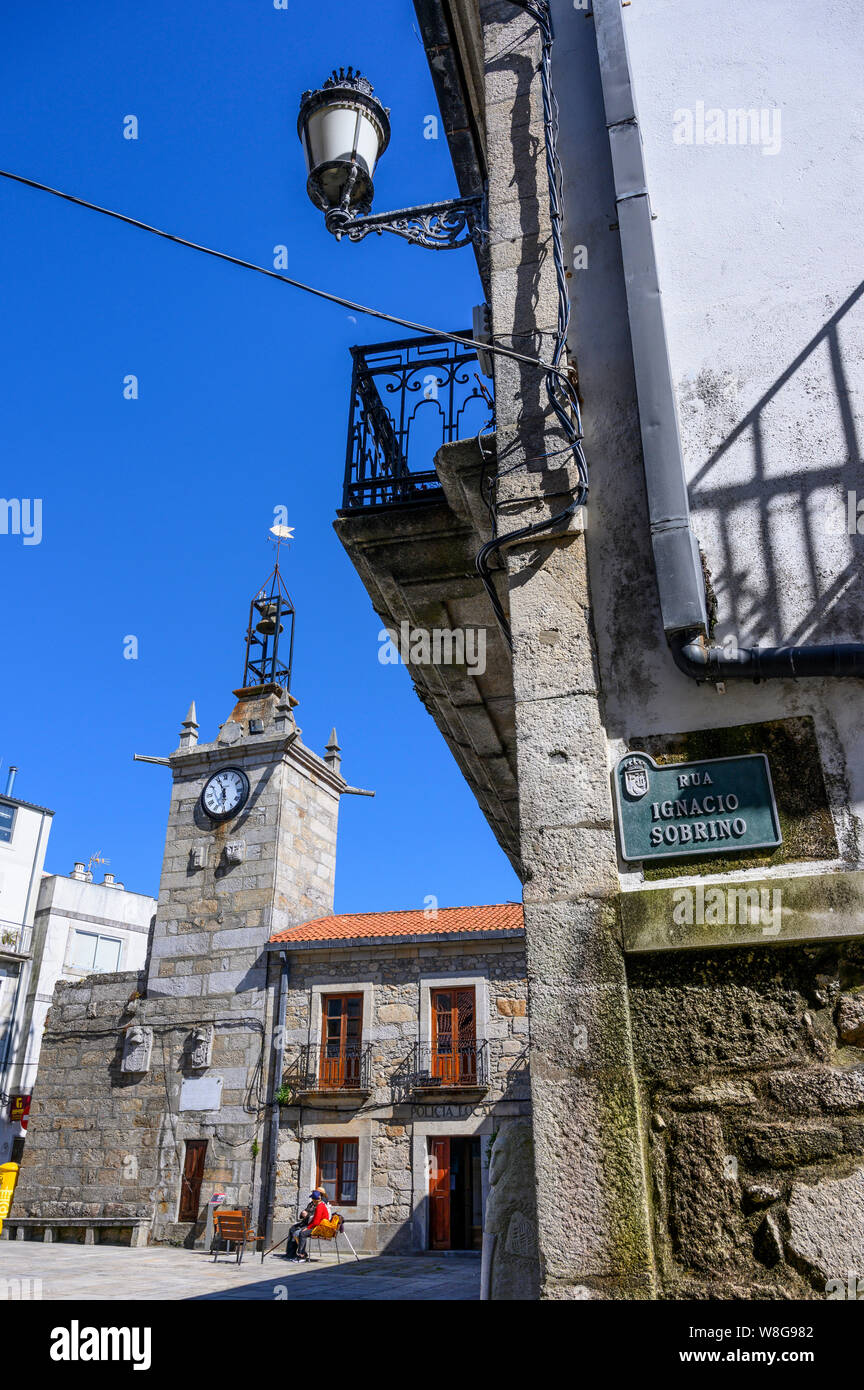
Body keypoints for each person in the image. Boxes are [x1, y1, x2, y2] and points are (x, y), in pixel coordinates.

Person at [294, 1188, 331, 1262]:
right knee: (300, 1232)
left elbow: (316, 1222)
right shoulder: (320, 1205)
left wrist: (307, 1228)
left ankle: (302, 1255)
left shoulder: (319, 1207)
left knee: (302, 1233)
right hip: (318, 1226)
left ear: (314, 1200)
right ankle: (302, 1253)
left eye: (312, 1199)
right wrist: (307, 1227)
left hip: (320, 1228)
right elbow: (314, 1220)